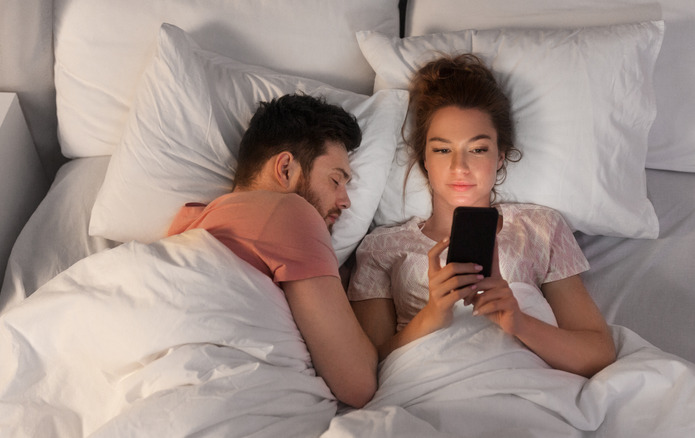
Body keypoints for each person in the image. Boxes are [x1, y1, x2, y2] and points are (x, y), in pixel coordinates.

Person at [348, 54, 616, 377]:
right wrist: (431, 315)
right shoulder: (382, 247)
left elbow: (599, 354)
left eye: (477, 149)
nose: (459, 167)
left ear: (500, 157)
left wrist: (519, 322)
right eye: (442, 149)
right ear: (424, 161)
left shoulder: (542, 229)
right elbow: (365, 370)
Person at [167, 93, 377, 408]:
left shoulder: (188, 223)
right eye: (336, 180)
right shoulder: (291, 210)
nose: (346, 200)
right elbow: (357, 384)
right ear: (286, 169)